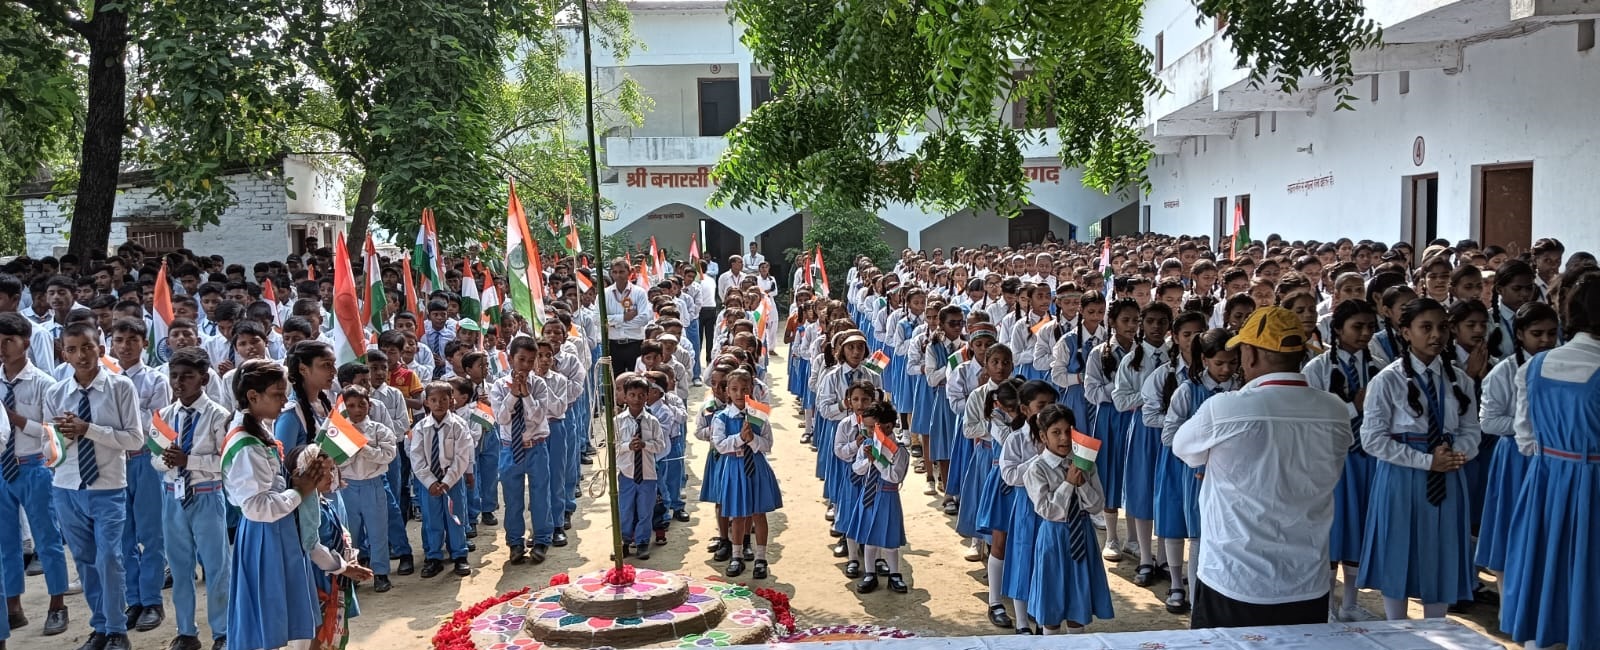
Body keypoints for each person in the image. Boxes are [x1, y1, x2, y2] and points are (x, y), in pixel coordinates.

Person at [1172, 306, 1352, 628]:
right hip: (1306, 578)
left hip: (1233, 577)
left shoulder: (1226, 408)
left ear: (1250, 354)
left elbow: (1183, 448)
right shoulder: (1336, 410)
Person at [1358, 298, 1480, 620]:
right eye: (1426, 327)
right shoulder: (1387, 380)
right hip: (1402, 475)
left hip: (1448, 473)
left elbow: (1472, 430)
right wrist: (1427, 461)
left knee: (1441, 552)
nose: (1436, 335)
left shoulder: (1458, 379)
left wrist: (1455, 454)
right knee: (1398, 549)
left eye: (1442, 327)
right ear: (1405, 332)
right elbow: (1372, 439)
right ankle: (1396, 629)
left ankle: (1436, 627)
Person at [1500, 267, 1600, 649]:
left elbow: (1525, 439)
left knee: (1548, 571)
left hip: (1545, 479)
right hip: (1592, 482)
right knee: (1586, 572)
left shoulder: (1535, 366)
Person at [49, 323, 145, 650]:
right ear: (64, 354)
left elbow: (134, 438)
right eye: (73, 349)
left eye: (88, 347)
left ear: (101, 348)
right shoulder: (56, 392)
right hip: (67, 487)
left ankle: (118, 629)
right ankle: (100, 626)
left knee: (110, 558)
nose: (81, 355)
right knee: (85, 560)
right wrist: (61, 436)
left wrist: (88, 428)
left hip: (108, 486)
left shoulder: (120, 387)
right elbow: (52, 445)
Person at [152, 348, 232, 650]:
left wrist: (189, 461)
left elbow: (225, 462)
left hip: (207, 496)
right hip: (173, 497)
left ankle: (222, 630)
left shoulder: (219, 416)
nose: (179, 382)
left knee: (216, 567)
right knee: (179, 566)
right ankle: (186, 630)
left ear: (204, 378)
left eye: (187, 376)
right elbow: (154, 459)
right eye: (174, 376)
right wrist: (168, 461)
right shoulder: (164, 415)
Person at [0, 311, 72, 637]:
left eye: (9, 341)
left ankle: (57, 603)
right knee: (6, 541)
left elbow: (53, 433)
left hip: (34, 467)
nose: (2, 348)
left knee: (47, 539)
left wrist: (14, 419)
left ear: (26, 342)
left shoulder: (44, 383)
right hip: (3, 466)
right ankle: (13, 605)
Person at [1025, 404, 1113, 634]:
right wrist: (1068, 484)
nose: (1064, 438)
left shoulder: (1085, 464)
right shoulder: (1037, 469)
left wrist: (1082, 482)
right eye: (1056, 432)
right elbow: (1048, 510)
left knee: (1078, 605)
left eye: (1068, 431)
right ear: (1043, 436)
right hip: (1053, 538)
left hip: (1082, 535)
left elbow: (1097, 506)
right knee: (1051, 607)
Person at [334, 385, 399, 594]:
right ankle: (353, 572)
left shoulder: (379, 430)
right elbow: (335, 461)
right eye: (351, 406)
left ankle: (381, 573)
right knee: (349, 533)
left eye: (361, 404)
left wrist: (364, 447)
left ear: (369, 405)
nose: (357, 409)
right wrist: (351, 446)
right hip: (348, 486)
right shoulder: (338, 432)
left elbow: (387, 455)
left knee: (377, 530)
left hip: (373, 484)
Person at [409, 381, 475, 578]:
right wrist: (429, 482)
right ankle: (434, 557)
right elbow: (417, 457)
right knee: (432, 519)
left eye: (444, 399)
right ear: (427, 402)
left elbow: (462, 456)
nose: (439, 404)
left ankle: (460, 555)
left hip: (452, 481)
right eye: (434, 400)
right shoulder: (420, 428)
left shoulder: (459, 426)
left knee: (456, 518)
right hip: (428, 483)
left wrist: (448, 480)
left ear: (451, 401)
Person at [613, 373, 667, 560]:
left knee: (645, 510)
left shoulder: (652, 421)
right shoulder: (618, 422)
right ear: (625, 397)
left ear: (647, 396)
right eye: (632, 395)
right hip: (627, 473)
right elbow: (614, 446)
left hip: (648, 474)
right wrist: (629, 446)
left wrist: (645, 445)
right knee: (626, 509)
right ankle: (625, 541)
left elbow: (661, 445)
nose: (636, 399)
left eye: (641, 395)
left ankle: (643, 542)